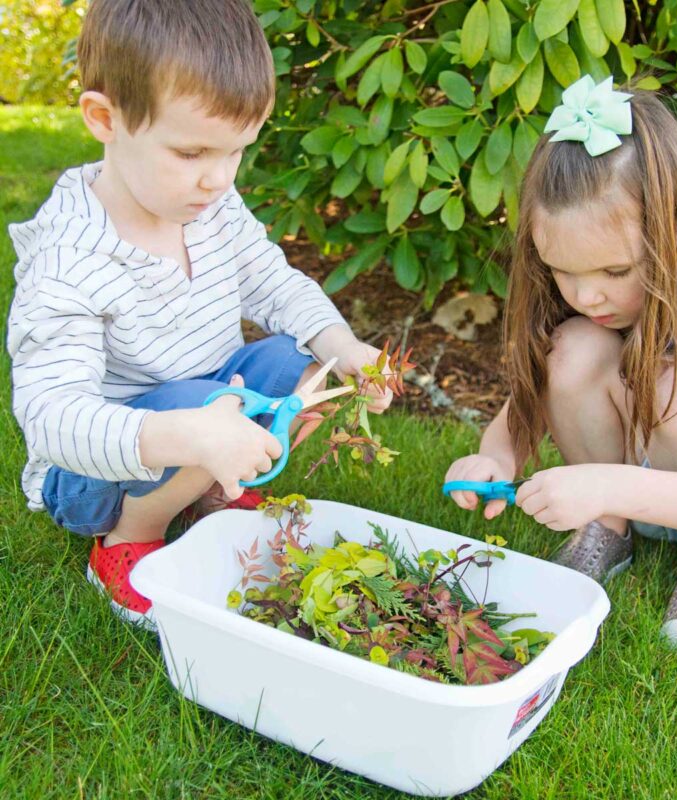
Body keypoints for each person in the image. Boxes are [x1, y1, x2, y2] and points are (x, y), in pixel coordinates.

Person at [6, 0, 391, 630]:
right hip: (95, 474)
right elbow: (52, 418)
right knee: (209, 404)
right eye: (190, 153)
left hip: (208, 406)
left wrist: (343, 347)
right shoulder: (70, 258)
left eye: (236, 151)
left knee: (298, 366)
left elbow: (273, 284)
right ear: (106, 118)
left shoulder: (210, 205)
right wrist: (189, 434)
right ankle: (132, 538)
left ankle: (211, 493)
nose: (217, 179)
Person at [445, 75, 677, 651]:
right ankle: (606, 532)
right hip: (618, 483)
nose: (586, 297)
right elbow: (528, 396)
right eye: (563, 270)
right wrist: (495, 455)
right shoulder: (589, 293)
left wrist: (608, 483)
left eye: (614, 272)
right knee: (571, 346)